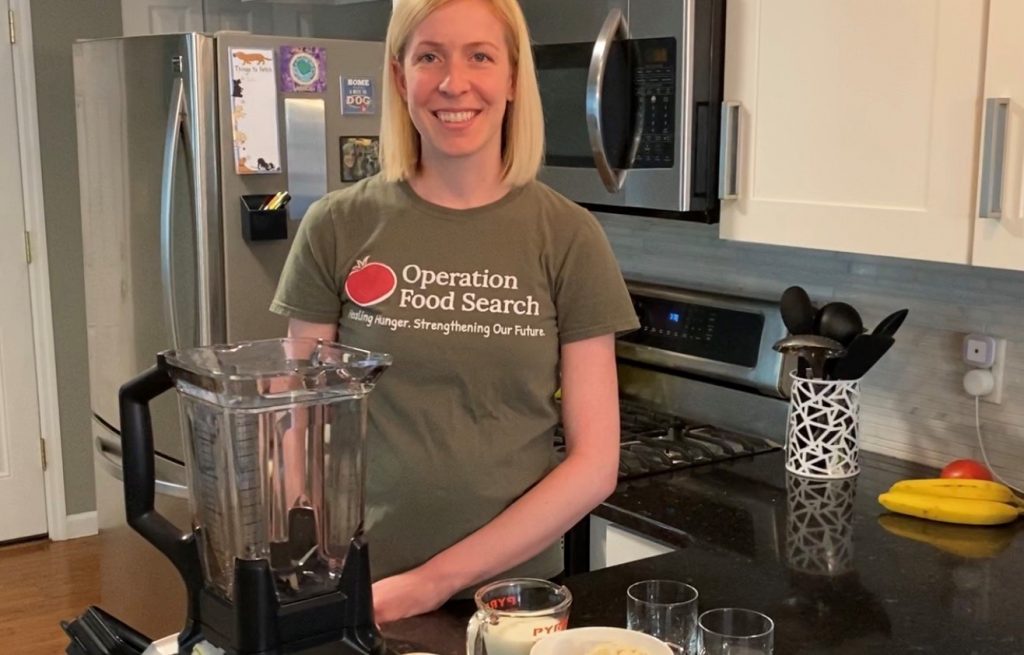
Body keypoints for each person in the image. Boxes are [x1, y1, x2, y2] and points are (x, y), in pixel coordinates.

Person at [270, 0, 639, 624]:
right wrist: (303, 563)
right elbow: (292, 420)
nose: (454, 83)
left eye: (480, 57)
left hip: (512, 600)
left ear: (514, 77)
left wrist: (431, 583)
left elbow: (595, 463)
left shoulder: (569, 236)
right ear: (399, 77)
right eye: (430, 57)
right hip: (359, 581)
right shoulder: (337, 225)